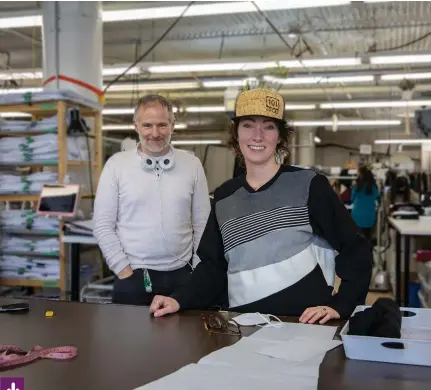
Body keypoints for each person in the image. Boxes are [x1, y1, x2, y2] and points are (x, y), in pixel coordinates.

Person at [149, 88, 373, 324]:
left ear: (279, 136)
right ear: (236, 134)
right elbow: (213, 267)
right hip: (243, 326)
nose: (258, 136)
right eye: (247, 125)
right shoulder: (225, 196)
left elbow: (354, 248)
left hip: (304, 328)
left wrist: (342, 303)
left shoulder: (309, 186)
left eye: (268, 126)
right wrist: (179, 299)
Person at [93, 94, 211, 305]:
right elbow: (102, 225)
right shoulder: (116, 165)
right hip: (133, 276)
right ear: (136, 126)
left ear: (173, 125)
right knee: (130, 339)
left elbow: (203, 223)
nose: (155, 133)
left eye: (162, 125)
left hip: (184, 275)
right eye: (147, 125)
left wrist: (197, 267)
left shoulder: (192, 165)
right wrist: (123, 271)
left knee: (185, 338)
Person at [351, 166, 379, 242]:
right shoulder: (373, 187)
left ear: (360, 175)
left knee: (357, 239)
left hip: (357, 216)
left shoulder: (356, 186)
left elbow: (352, 199)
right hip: (369, 216)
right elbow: (377, 197)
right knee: (367, 238)